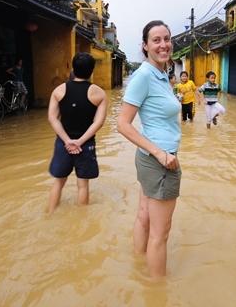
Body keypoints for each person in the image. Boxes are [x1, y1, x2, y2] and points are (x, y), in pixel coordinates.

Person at [117, 20, 182, 278]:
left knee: (144, 217)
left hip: (150, 158)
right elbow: (122, 124)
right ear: (145, 46)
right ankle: (157, 291)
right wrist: (160, 154)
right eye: (156, 40)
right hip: (160, 161)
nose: (163, 44)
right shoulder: (143, 75)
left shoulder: (162, 74)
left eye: (167, 38)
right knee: (161, 235)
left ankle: (137, 270)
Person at [47, 52, 108, 213]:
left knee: (59, 182)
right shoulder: (99, 93)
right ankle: (81, 217)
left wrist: (67, 141)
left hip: (63, 144)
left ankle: (50, 214)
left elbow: (53, 119)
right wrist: (79, 142)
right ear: (92, 70)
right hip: (85, 145)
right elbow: (98, 123)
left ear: (73, 68)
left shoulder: (59, 90)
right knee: (83, 185)